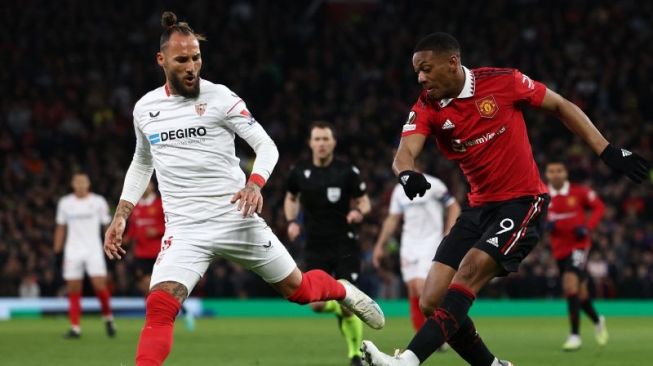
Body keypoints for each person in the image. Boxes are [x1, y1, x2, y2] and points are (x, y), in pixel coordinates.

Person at [102, 12, 384, 366]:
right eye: (182, 60)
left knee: (300, 291)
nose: (192, 67)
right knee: (159, 306)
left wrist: (255, 183)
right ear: (161, 60)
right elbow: (143, 162)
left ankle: (343, 291)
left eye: (196, 58)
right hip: (186, 229)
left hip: (237, 217)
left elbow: (268, 147)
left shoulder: (221, 98)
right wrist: (121, 213)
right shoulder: (145, 109)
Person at [361, 32, 649, 366]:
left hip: (523, 202)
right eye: (417, 73)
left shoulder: (504, 82)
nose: (421, 78)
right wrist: (407, 173)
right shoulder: (427, 105)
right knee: (431, 300)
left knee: (467, 273)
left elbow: (560, 105)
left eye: (426, 69)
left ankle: (408, 360)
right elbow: (404, 152)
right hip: (478, 208)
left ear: (452, 63)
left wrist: (606, 149)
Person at [284, 121, 372, 366]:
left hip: (344, 244)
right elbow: (291, 198)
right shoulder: (299, 172)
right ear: (310, 143)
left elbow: (364, 201)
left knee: (348, 304)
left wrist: (358, 213)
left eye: (326, 139)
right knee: (317, 305)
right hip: (315, 245)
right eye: (317, 139)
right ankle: (343, 306)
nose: (321, 144)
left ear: (333, 142)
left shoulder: (347, 172)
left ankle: (355, 355)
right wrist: (292, 221)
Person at [372, 162, 460, 334]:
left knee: (422, 286)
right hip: (409, 244)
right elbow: (392, 219)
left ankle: (440, 332)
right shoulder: (399, 191)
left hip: (431, 242)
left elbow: (453, 206)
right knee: (413, 287)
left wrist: (448, 232)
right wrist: (379, 245)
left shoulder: (433, 184)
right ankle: (422, 335)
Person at [545, 160, 608, 351]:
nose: (555, 174)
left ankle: (575, 336)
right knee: (580, 294)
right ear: (547, 175)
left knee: (569, 283)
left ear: (566, 173)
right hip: (559, 249)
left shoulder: (579, 192)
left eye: (559, 170)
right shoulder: (542, 195)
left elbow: (599, 207)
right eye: (551, 171)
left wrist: (587, 228)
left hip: (579, 246)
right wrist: (542, 225)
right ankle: (598, 320)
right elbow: (533, 216)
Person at [124, 180, 195, 330]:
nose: (145, 187)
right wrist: (125, 239)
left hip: (159, 252)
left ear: (152, 186)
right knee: (147, 286)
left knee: (159, 287)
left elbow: (173, 224)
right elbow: (132, 229)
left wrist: (156, 231)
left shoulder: (160, 204)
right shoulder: (136, 207)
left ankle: (181, 311)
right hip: (140, 254)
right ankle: (152, 317)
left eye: (147, 184)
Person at [54, 172, 116, 339]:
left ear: (88, 184)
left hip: (93, 250)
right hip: (73, 251)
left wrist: (110, 245)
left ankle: (108, 318)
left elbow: (106, 226)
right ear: (73, 184)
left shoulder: (98, 201)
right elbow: (61, 227)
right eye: (77, 182)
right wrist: (57, 251)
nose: (80, 185)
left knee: (99, 286)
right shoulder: (65, 203)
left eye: (83, 182)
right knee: (73, 289)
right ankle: (75, 328)